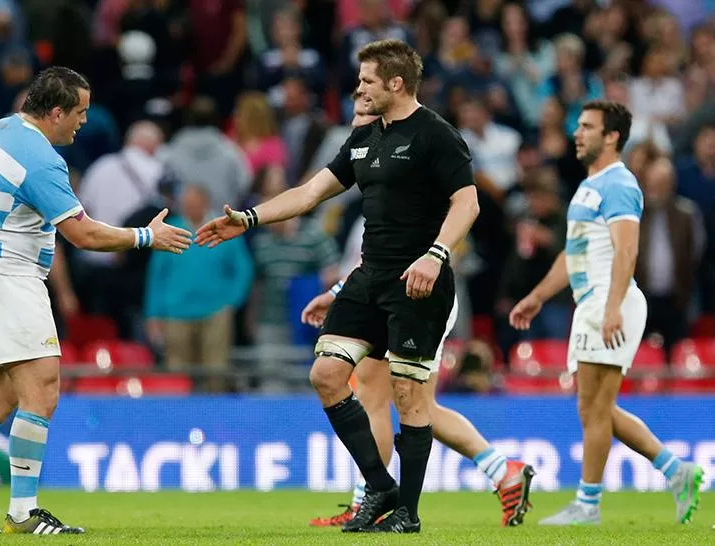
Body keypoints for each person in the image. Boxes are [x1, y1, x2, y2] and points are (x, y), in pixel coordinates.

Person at [197, 39, 480, 533]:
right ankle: (379, 485)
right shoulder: (366, 138)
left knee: (409, 394)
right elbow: (309, 193)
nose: (359, 88)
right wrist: (248, 218)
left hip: (418, 281)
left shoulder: (437, 135)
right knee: (326, 375)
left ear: (396, 83)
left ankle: (408, 514)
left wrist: (436, 255)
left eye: (367, 80)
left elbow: (468, 203)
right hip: (369, 277)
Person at [0, 67, 191, 535]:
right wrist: (147, 235)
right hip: (10, 281)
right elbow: (83, 234)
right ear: (56, 111)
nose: (84, 122)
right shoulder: (40, 159)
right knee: (41, 392)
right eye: (80, 113)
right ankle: (23, 513)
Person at [302, 94, 535, 530]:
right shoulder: (372, 185)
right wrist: (338, 290)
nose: (356, 128)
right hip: (389, 295)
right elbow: (374, 262)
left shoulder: (416, 156)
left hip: (423, 295)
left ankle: (375, 497)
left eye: (363, 114)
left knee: (392, 397)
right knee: (398, 397)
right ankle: (501, 470)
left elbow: (421, 237)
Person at [509, 100, 704, 525]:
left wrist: (612, 305)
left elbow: (627, 248)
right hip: (592, 304)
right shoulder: (588, 185)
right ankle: (677, 471)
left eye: (586, 126)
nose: (577, 133)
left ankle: (589, 504)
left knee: (596, 410)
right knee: (593, 409)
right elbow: (573, 253)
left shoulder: (619, 183)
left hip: (609, 302)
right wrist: (538, 295)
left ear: (611, 135)